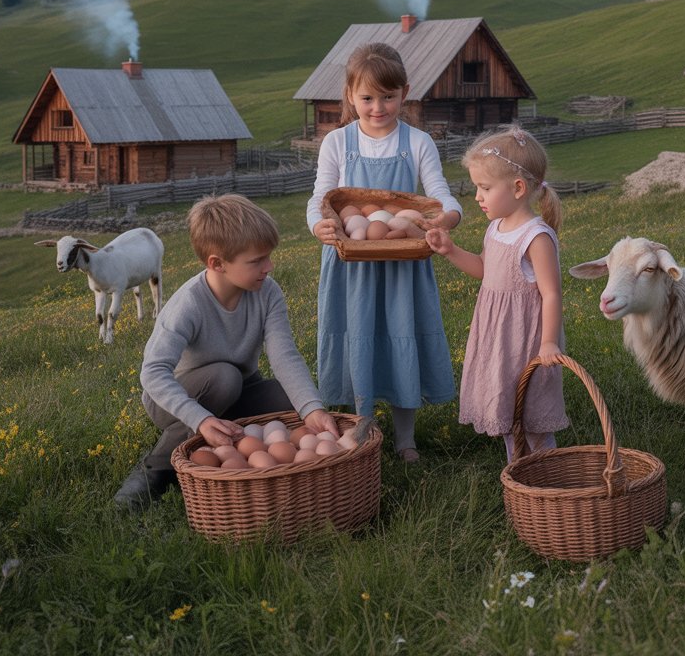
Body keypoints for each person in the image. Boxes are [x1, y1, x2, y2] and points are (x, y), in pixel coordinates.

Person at [113, 194, 340, 511]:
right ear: (217, 263)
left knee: (289, 401)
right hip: (174, 399)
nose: (269, 267)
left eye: (268, 257)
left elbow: (284, 355)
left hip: (237, 390)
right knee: (225, 377)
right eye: (257, 260)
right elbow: (152, 373)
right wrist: (200, 419)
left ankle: (233, 447)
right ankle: (154, 471)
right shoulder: (189, 304)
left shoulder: (268, 292)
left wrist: (312, 408)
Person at [307, 42, 462, 463]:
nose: (378, 107)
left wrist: (444, 222)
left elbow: (444, 198)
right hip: (351, 266)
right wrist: (320, 225)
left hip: (402, 266)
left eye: (389, 97)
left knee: (401, 336)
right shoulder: (338, 142)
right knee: (358, 338)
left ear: (405, 93)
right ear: (350, 95)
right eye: (367, 98)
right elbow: (322, 198)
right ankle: (361, 428)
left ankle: (405, 437)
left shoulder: (418, 142)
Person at [425, 125, 568, 462]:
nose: (477, 196)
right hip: (497, 339)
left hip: (525, 341)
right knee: (507, 412)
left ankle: (548, 473)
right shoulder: (496, 228)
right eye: (477, 187)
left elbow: (551, 294)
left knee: (530, 418)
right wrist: (450, 250)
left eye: (485, 188)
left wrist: (548, 343)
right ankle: (518, 473)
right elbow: (485, 270)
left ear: (518, 188)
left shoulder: (535, 237)